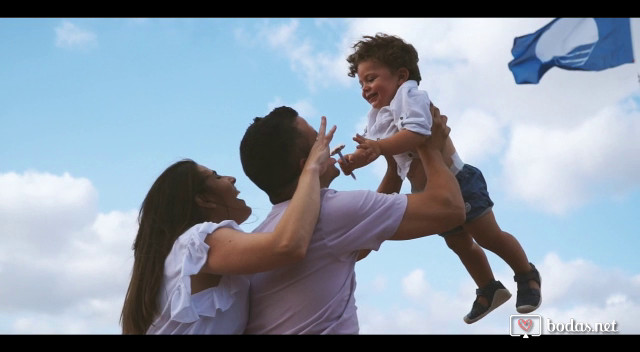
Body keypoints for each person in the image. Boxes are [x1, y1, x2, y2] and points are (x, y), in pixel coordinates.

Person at [340, 33, 541, 324]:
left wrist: (380, 147)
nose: (365, 88)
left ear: (401, 75)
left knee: (488, 236)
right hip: (431, 193)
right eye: (361, 83)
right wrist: (356, 158)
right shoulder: (377, 115)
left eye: (371, 78)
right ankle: (489, 288)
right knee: (459, 243)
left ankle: (526, 274)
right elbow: (375, 148)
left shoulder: (411, 96)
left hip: (458, 181)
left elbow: (420, 134)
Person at [239, 104, 465, 334]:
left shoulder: (263, 235)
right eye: (318, 141)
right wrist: (428, 145)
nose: (326, 144)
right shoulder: (330, 210)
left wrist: (393, 166)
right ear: (308, 164)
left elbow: (359, 241)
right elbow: (449, 209)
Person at [119, 117, 336, 334]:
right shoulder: (197, 242)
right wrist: (312, 168)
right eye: (216, 176)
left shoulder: (189, 257)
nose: (231, 178)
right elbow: (289, 245)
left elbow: (321, 252)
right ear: (204, 200)